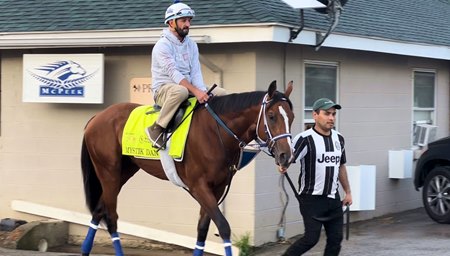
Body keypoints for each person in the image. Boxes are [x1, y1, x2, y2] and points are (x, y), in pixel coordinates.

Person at [147, 1, 225, 148]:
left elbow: (195, 71)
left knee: (221, 93)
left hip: (187, 87)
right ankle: (157, 128)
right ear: (171, 23)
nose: (187, 24)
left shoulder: (191, 45)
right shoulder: (162, 46)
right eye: (183, 20)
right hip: (165, 90)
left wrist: (202, 91)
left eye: (189, 20)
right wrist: (196, 92)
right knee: (181, 91)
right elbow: (174, 74)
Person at [279, 98, 352, 256]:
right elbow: (288, 159)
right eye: (327, 114)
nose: (331, 117)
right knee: (311, 239)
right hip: (311, 199)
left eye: (333, 114)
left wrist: (348, 192)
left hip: (333, 198)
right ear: (315, 115)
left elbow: (341, 166)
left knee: (335, 239)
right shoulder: (304, 138)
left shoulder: (339, 139)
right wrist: (283, 165)